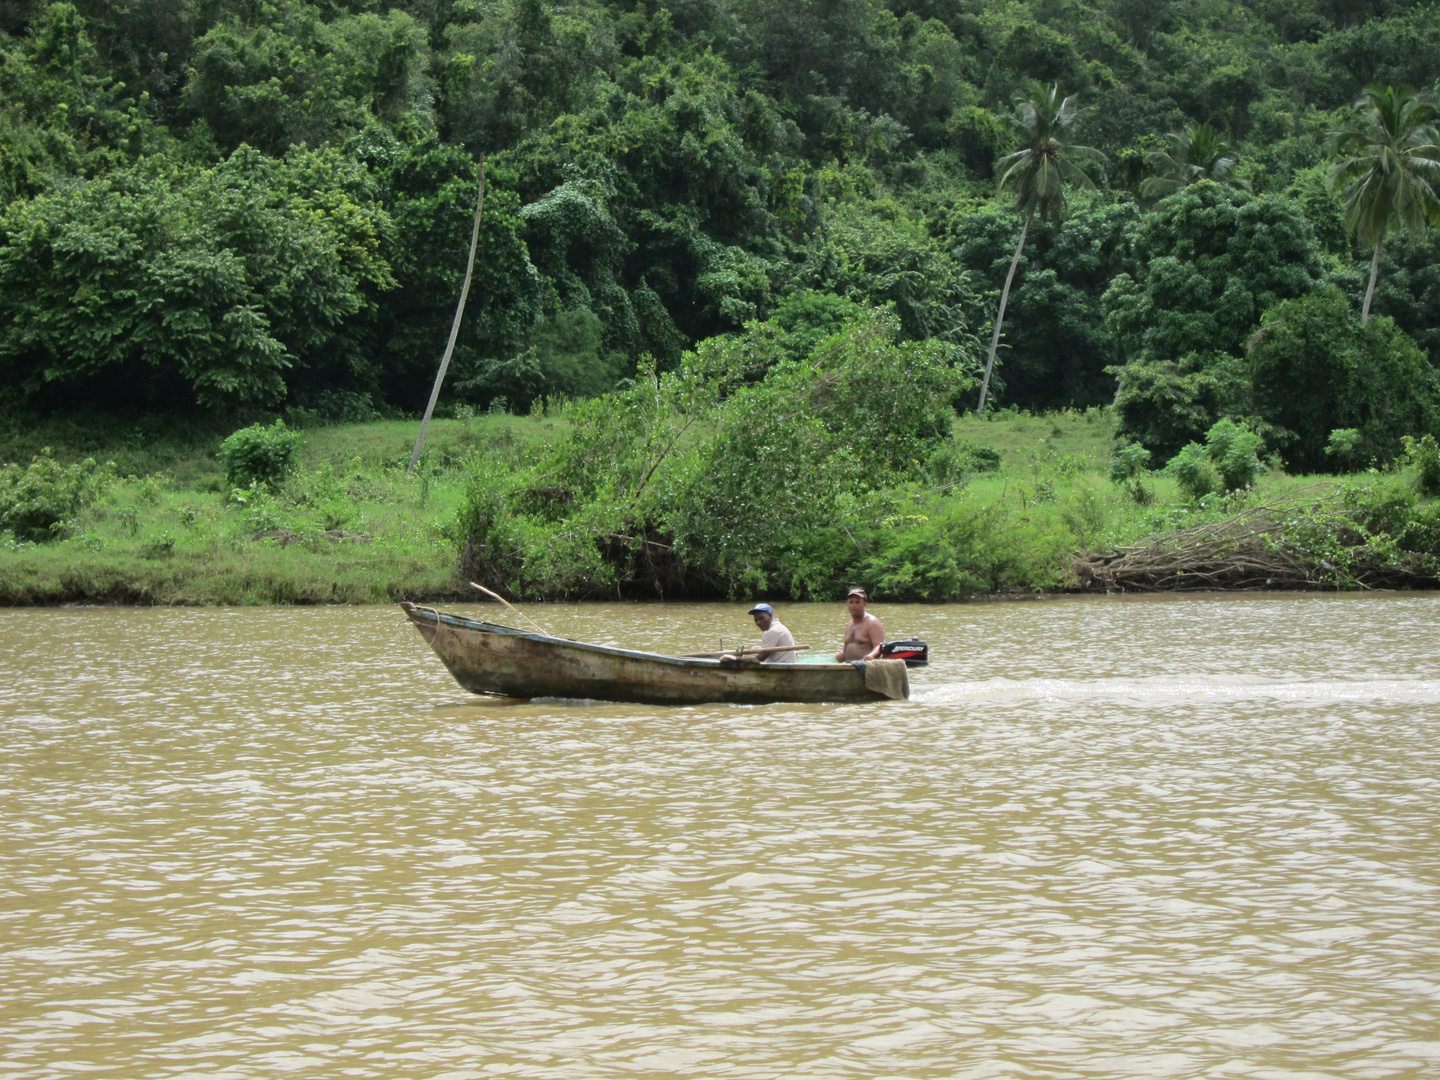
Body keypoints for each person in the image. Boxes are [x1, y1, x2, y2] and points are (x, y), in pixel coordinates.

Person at [835, 588, 883, 662]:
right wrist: (831, 659)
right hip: (849, 667)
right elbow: (845, 651)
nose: (853, 605)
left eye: (857, 602)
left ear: (864, 604)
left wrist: (871, 656)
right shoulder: (849, 625)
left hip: (865, 667)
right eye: (851, 602)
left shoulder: (872, 622)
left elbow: (879, 646)